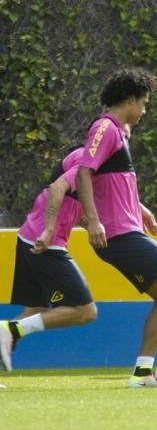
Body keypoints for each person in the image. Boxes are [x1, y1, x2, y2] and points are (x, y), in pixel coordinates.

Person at [76, 66, 157, 387]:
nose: (145, 110)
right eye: (143, 103)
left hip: (126, 230)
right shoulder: (105, 127)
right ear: (129, 100)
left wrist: (141, 209)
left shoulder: (119, 132)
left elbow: (109, 181)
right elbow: (83, 172)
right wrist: (94, 219)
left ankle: (143, 372)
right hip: (117, 234)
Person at [0, 146, 97, 373]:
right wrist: (50, 229)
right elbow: (56, 188)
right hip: (46, 243)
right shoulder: (88, 162)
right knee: (85, 311)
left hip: (28, 238)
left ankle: (9, 330)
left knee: (34, 311)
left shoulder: (89, 160)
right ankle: (9, 329)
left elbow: (74, 207)